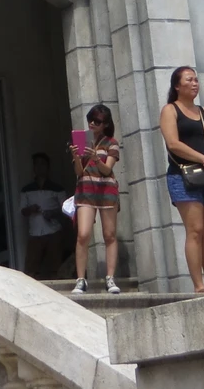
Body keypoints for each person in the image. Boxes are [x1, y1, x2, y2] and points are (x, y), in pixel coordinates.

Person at [159, 65, 204, 296]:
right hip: (183, 175)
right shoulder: (170, 110)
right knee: (195, 230)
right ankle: (199, 285)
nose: (195, 83)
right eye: (189, 80)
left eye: (196, 79)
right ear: (177, 86)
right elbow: (173, 144)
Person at [69, 104, 121, 295]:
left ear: (105, 124)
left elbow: (107, 170)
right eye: (90, 119)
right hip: (86, 190)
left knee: (109, 234)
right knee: (83, 234)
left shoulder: (111, 142)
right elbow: (79, 172)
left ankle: (110, 277)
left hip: (106, 190)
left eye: (97, 121)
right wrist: (76, 156)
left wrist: (96, 158)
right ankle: (81, 279)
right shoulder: (84, 140)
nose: (92, 124)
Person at [20, 152, 65, 279]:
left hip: (53, 231)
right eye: (37, 164)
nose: (39, 167)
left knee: (56, 268)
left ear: (48, 167)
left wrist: (53, 213)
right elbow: (22, 211)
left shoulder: (57, 188)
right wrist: (31, 209)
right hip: (34, 233)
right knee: (31, 270)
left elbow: (66, 209)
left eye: (42, 164)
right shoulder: (26, 190)